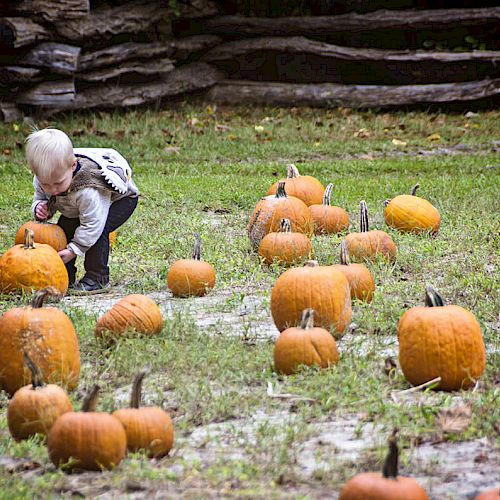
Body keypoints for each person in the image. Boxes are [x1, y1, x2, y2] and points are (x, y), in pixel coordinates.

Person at [25, 128, 139, 294]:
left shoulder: (89, 190)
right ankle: (65, 275)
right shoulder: (47, 177)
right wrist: (40, 207)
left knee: (99, 232)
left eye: (57, 183)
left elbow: (93, 225)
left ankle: (97, 277)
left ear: (72, 166)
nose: (53, 190)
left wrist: (74, 249)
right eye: (46, 185)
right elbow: (41, 197)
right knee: (63, 230)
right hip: (77, 206)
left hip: (120, 200)